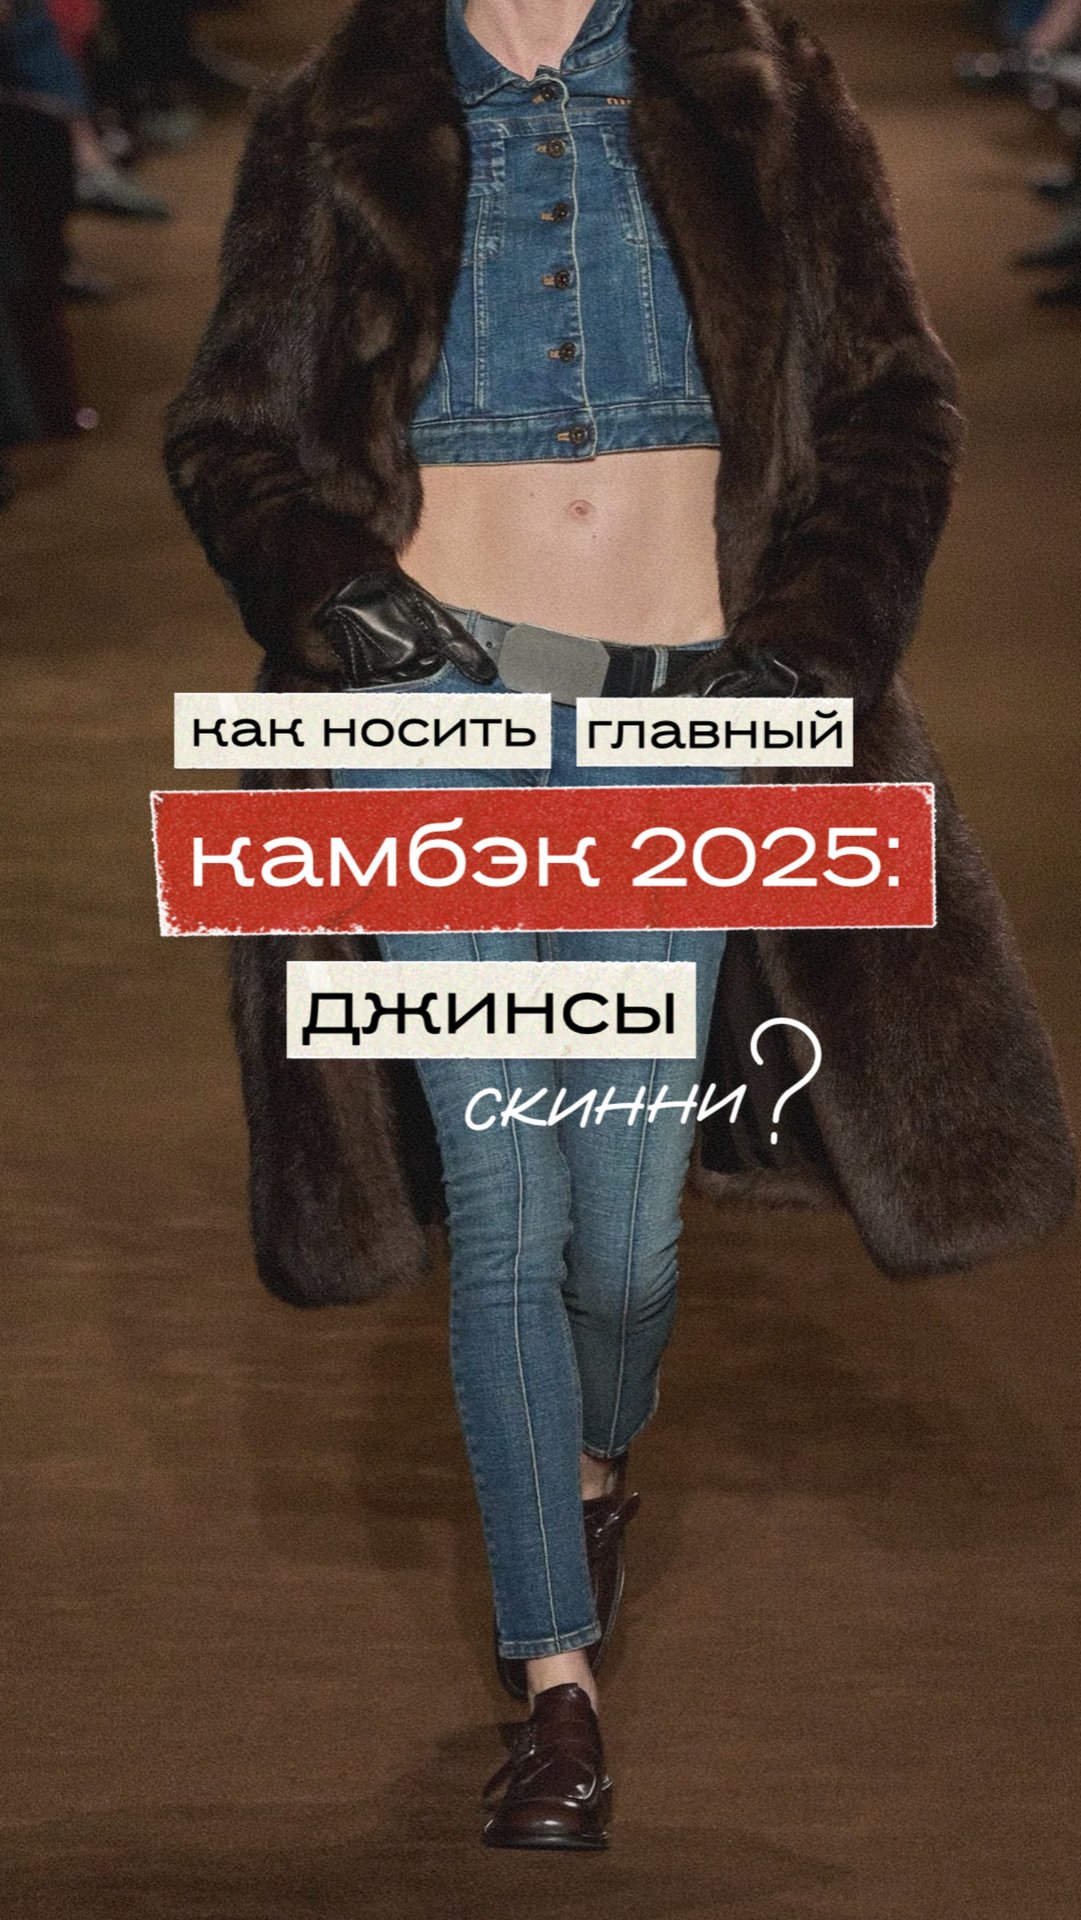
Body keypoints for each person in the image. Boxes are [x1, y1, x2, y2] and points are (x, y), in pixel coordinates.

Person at [163, 0, 1076, 1854]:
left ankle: (587, 1466)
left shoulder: (762, 86)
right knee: (505, 1203)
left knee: (630, 1240)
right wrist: (332, 599)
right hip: (425, 718)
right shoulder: (339, 109)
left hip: (681, 714)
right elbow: (233, 432)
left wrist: (811, 649)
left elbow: (892, 402)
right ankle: (554, 1687)